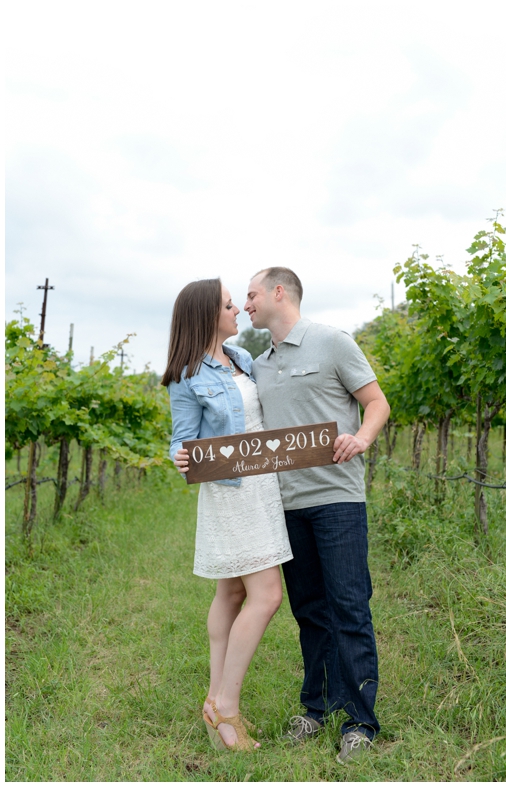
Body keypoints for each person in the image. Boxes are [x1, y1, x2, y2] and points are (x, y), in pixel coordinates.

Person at [244, 266, 391, 765]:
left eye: (251, 295)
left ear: (278, 292)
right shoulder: (259, 365)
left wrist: (362, 438)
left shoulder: (332, 342)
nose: (246, 305)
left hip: (338, 500)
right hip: (286, 505)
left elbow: (376, 403)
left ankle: (359, 721)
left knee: (349, 605)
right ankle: (318, 705)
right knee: (309, 609)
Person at [164, 278, 292, 752]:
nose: (237, 308)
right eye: (228, 304)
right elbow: (181, 439)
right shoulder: (187, 374)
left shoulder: (241, 360)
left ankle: (213, 704)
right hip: (232, 491)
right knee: (267, 596)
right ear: (206, 314)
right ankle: (227, 705)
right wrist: (180, 457)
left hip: (262, 487)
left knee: (233, 591)